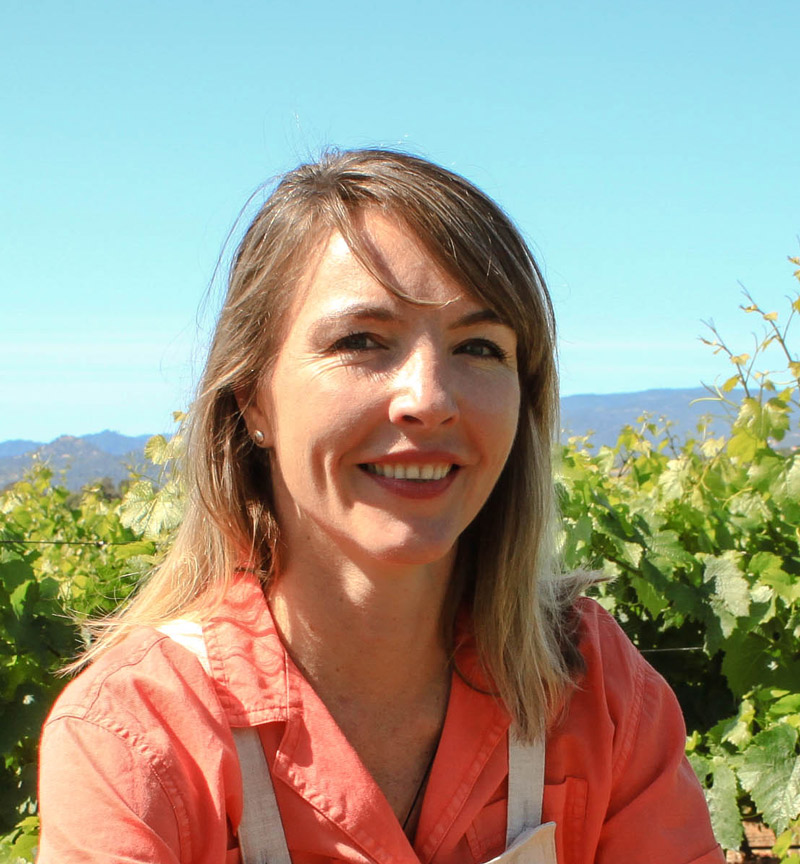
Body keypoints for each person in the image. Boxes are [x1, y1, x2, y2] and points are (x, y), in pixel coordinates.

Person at [37, 149, 724, 864]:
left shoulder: (591, 684)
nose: (428, 399)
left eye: (480, 347)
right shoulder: (136, 735)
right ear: (253, 403)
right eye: (361, 340)